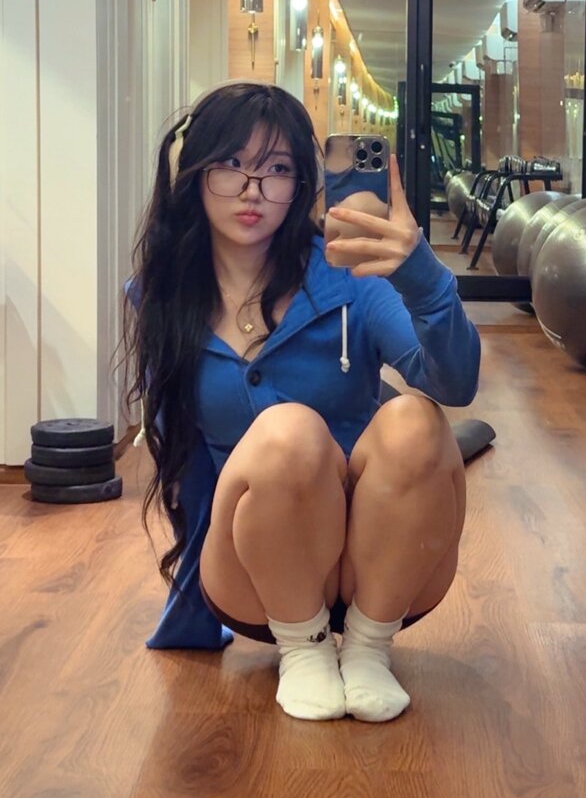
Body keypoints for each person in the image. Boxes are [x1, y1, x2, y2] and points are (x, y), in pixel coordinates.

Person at [124, 81, 480, 724]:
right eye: (231, 164)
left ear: (302, 185)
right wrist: (190, 612)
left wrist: (420, 274)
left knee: (416, 419)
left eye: (278, 169)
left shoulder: (350, 275)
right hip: (254, 576)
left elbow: (453, 384)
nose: (252, 189)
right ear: (196, 173)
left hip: (380, 571)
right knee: (287, 430)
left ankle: (367, 649)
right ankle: (305, 647)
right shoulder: (162, 293)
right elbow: (181, 457)